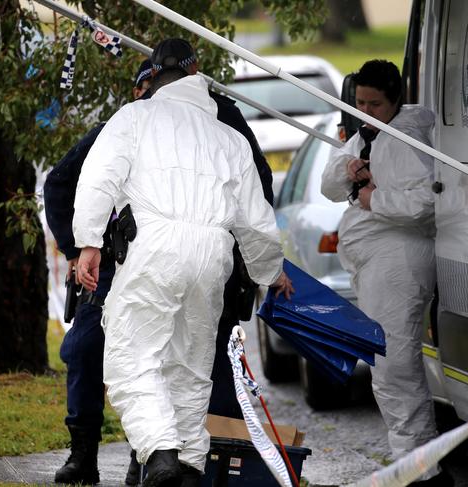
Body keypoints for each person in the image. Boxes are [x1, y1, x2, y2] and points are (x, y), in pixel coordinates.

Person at [72, 39, 293, 487]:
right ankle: (190, 466)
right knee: (191, 365)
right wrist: (272, 271)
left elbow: (98, 179)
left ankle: (161, 456)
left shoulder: (135, 118)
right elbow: (255, 218)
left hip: (156, 246)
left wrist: (88, 242)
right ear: (198, 74)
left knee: (131, 354)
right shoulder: (228, 138)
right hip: (213, 254)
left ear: (154, 75)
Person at [320, 60, 453, 487]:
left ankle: (420, 468)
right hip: (373, 263)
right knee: (389, 363)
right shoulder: (365, 134)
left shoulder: (409, 139)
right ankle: (415, 463)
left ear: (395, 99)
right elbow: (328, 182)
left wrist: (373, 198)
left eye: (374, 104)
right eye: (359, 103)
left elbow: (427, 203)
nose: (365, 111)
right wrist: (349, 172)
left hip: (398, 262)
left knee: (392, 366)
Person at [44, 58, 155, 486]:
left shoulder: (196, 133)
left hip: (163, 266)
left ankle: (141, 456)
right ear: (136, 92)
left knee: (151, 360)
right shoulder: (116, 130)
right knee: (85, 350)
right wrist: (74, 250)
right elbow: (59, 182)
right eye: (145, 89)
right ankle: (82, 455)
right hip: (107, 265)